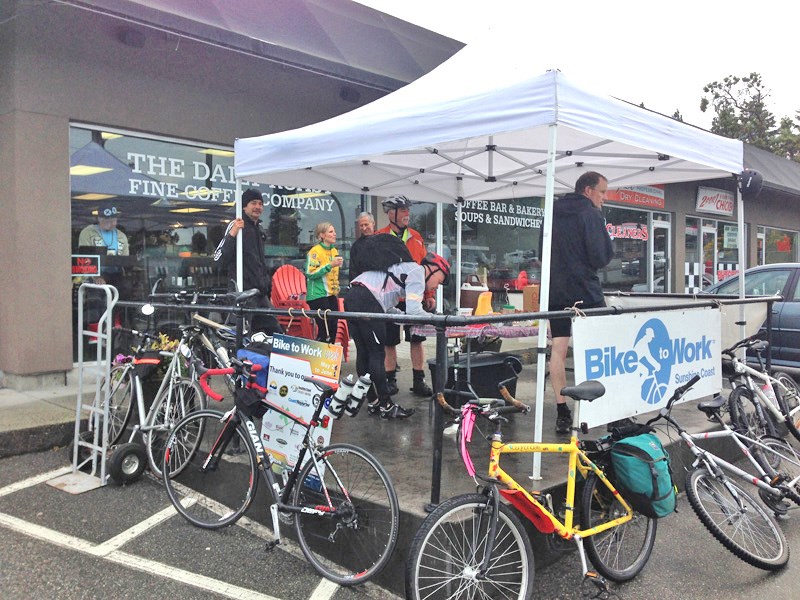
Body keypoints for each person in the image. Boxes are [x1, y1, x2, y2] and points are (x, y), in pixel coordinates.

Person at [344, 252, 450, 419]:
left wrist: (403, 318)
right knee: (377, 354)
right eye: (440, 280)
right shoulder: (418, 272)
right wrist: (436, 320)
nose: (438, 286)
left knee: (364, 352)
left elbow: (388, 307)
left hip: (352, 294)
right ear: (432, 269)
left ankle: (374, 403)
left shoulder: (403, 272)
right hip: (367, 299)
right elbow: (415, 311)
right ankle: (386, 405)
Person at [549, 171, 614, 434]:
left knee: (558, 349)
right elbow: (600, 256)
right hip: (585, 290)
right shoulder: (590, 214)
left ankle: (562, 411)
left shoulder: (552, 211)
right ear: (588, 191)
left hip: (555, 290)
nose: (604, 198)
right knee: (598, 348)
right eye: (602, 192)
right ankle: (601, 408)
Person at [376, 195, 434, 398]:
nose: (407, 214)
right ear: (391, 213)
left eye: (408, 210)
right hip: (390, 298)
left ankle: (419, 380)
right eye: (403, 210)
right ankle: (390, 379)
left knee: (417, 339)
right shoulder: (380, 237)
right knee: (389, 341)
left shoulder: (416, 237)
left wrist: (429, 293)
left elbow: (424, 269)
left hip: (414, 298)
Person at [213, 188, 282, 336]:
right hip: (242, 294)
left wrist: (266, 284)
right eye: (253, 203)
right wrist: (233, 234)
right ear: (244, 206)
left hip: (259, 293)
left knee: (274, 332)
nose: (258, 207)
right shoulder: (236, 225)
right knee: (240, 336)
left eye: (260, 203)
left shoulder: (258, 229)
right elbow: (218, 258)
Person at [305, 222, 343, 344]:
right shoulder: (315, 251)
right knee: (324, 330)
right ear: (322, 235)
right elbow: (310, 274)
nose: (334, 234)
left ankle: (329, 360)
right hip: (317, 295)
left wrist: (336, 287)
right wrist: (330, 265)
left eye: (334, 231)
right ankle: (318, 359)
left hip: (331, 295)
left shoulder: (334, 250)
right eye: (331, 232)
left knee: (333, 329)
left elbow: (333, 275)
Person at [348, 211, 375, 281]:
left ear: (373, 223)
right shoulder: (356, 247)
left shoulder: (383, 241)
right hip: (363, 286)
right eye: (361, 225)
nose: (364, 228)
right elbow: (353, 271)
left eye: (366, 224)